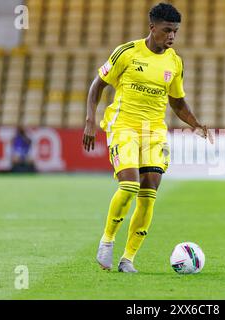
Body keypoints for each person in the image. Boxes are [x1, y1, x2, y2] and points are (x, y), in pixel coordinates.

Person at [82, 3, 213, 273]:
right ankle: (107, 240)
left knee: (149, 191)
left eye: (175, 32)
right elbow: (98, 85)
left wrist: (196, 124)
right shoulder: (127, 53)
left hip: (154, 132)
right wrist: (90, 121)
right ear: (152, 27)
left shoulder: (174, 62)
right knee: (129, 185)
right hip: (124, 127)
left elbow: (177, 102)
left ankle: (128, 258)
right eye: (167, 30)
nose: (172, 37)